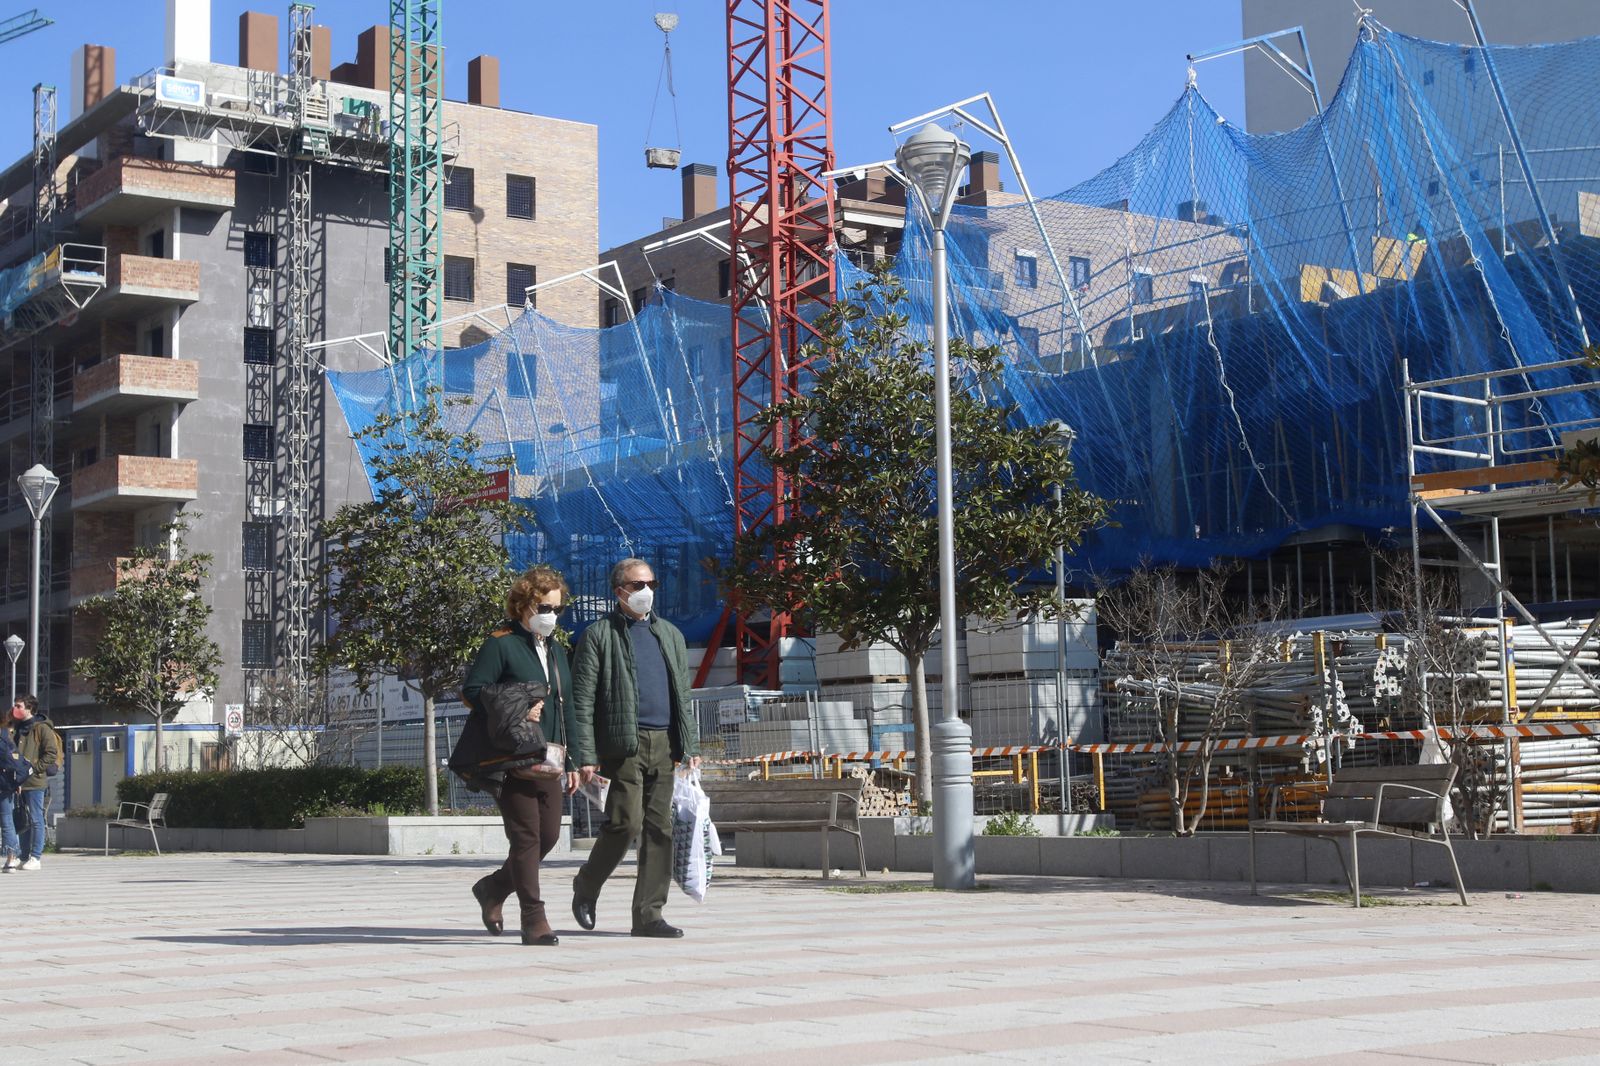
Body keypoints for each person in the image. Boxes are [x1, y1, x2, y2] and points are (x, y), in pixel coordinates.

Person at [570, 557, 700, 938]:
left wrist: (688, 744)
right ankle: (587, 884)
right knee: (625, 823)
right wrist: (586, 756)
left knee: (660, 829)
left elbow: (682, 694)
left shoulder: (671, 635)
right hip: (622, 743)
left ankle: (648, 915)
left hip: (665, 744)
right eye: (637, 585)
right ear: (619, 591)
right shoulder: (599, 635)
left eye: (651, 585)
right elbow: (582, 700)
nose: (646, 592)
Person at [462, 565, 580, 946]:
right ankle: (534, 918)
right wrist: (518, 706)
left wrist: (575, 761)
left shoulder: (557, 649)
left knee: (546, 837)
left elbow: (568, 706)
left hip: (550, 757)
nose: (550, 616)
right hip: (511, 756)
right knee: (527, 837)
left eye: (557, 609)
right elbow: (474, 691)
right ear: (523, 605)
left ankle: (494, 888)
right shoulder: (501, 642)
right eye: (543, 607)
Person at [8, 695, 60, 872]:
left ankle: (36, 857)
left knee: (36, 818)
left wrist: (33, 769)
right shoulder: (15, 728)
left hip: (35, 782)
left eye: (19, 705)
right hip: (17, 782)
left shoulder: (41, 728)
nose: (15, 708)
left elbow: (51, 754)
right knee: (22, 818)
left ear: (29, 708)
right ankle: (23, 856)